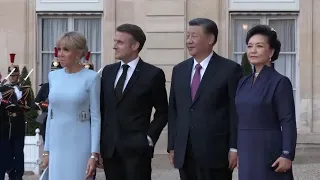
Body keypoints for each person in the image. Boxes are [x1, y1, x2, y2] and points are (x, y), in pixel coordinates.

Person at [167, 18, 242, 180]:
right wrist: (172, 146)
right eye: (187, 36)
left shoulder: (230, 70)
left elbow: (235, 112)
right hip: (185, 151)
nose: (189, 41)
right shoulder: (179, 70)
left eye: (194, 36)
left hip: (216, 152)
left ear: (210, 39)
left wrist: (234, 147)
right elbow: (173, 111)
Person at [100, 23, 168, 180]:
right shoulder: (108, 72)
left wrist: (149, 138)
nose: (114, 46)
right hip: (110, 150)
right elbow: (103, 109)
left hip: (137, 151)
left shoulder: (152, 74)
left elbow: (163, 111)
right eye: (115, 41)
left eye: (120, 42)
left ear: (135, 45)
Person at [235, 25, 297, 180]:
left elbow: (288, 120)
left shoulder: (280, 82)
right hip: (246, 147)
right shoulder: (243, 82)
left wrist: (287, 154)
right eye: (250, 46)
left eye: (259, 46)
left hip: (269, 149)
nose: (253, 50)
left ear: (271, 51)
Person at [41, 31, 101, 180]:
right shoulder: (53, 76)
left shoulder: (92, 78)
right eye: (59, 49)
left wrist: (94, 154)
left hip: (80, 142)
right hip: (57, 142)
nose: (60, 54)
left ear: (78, 53)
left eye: (66, 50)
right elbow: (50, 116)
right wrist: (46, 151)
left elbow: (95, 118)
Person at [0, 53, 33, 180]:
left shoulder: (25, 89)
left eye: (15, 75)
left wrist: (17, 107)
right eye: (11, 75)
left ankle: (17, 176)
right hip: (4, 126)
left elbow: (28, 106)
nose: (13, 78)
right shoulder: (3, 89)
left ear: (18, 75)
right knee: (4, 154)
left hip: (18, 124)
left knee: (18, 153)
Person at [34, 47, 62, 143]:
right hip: (47, 120)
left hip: (61, 120)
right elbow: (35, 102)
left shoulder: (65, 86)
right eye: (53, 71)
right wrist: (45, 105)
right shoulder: (45, 86)